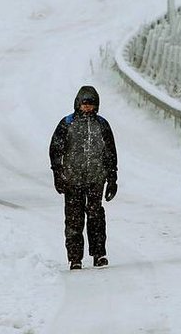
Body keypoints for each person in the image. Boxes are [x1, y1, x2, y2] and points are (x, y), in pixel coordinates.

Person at [49, 85, 118, 270]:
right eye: (84, 104)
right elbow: (55, 150)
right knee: (74, 219)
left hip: (96, 178)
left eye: (91, 104)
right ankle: (75, 257)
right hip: (72, 179)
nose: (87, 108)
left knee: (96, 216)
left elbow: (110, 153)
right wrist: (58, 173)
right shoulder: (67, 123)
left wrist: (112, 178)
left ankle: (99, 254)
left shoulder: (102, 124)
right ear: (77, 104)